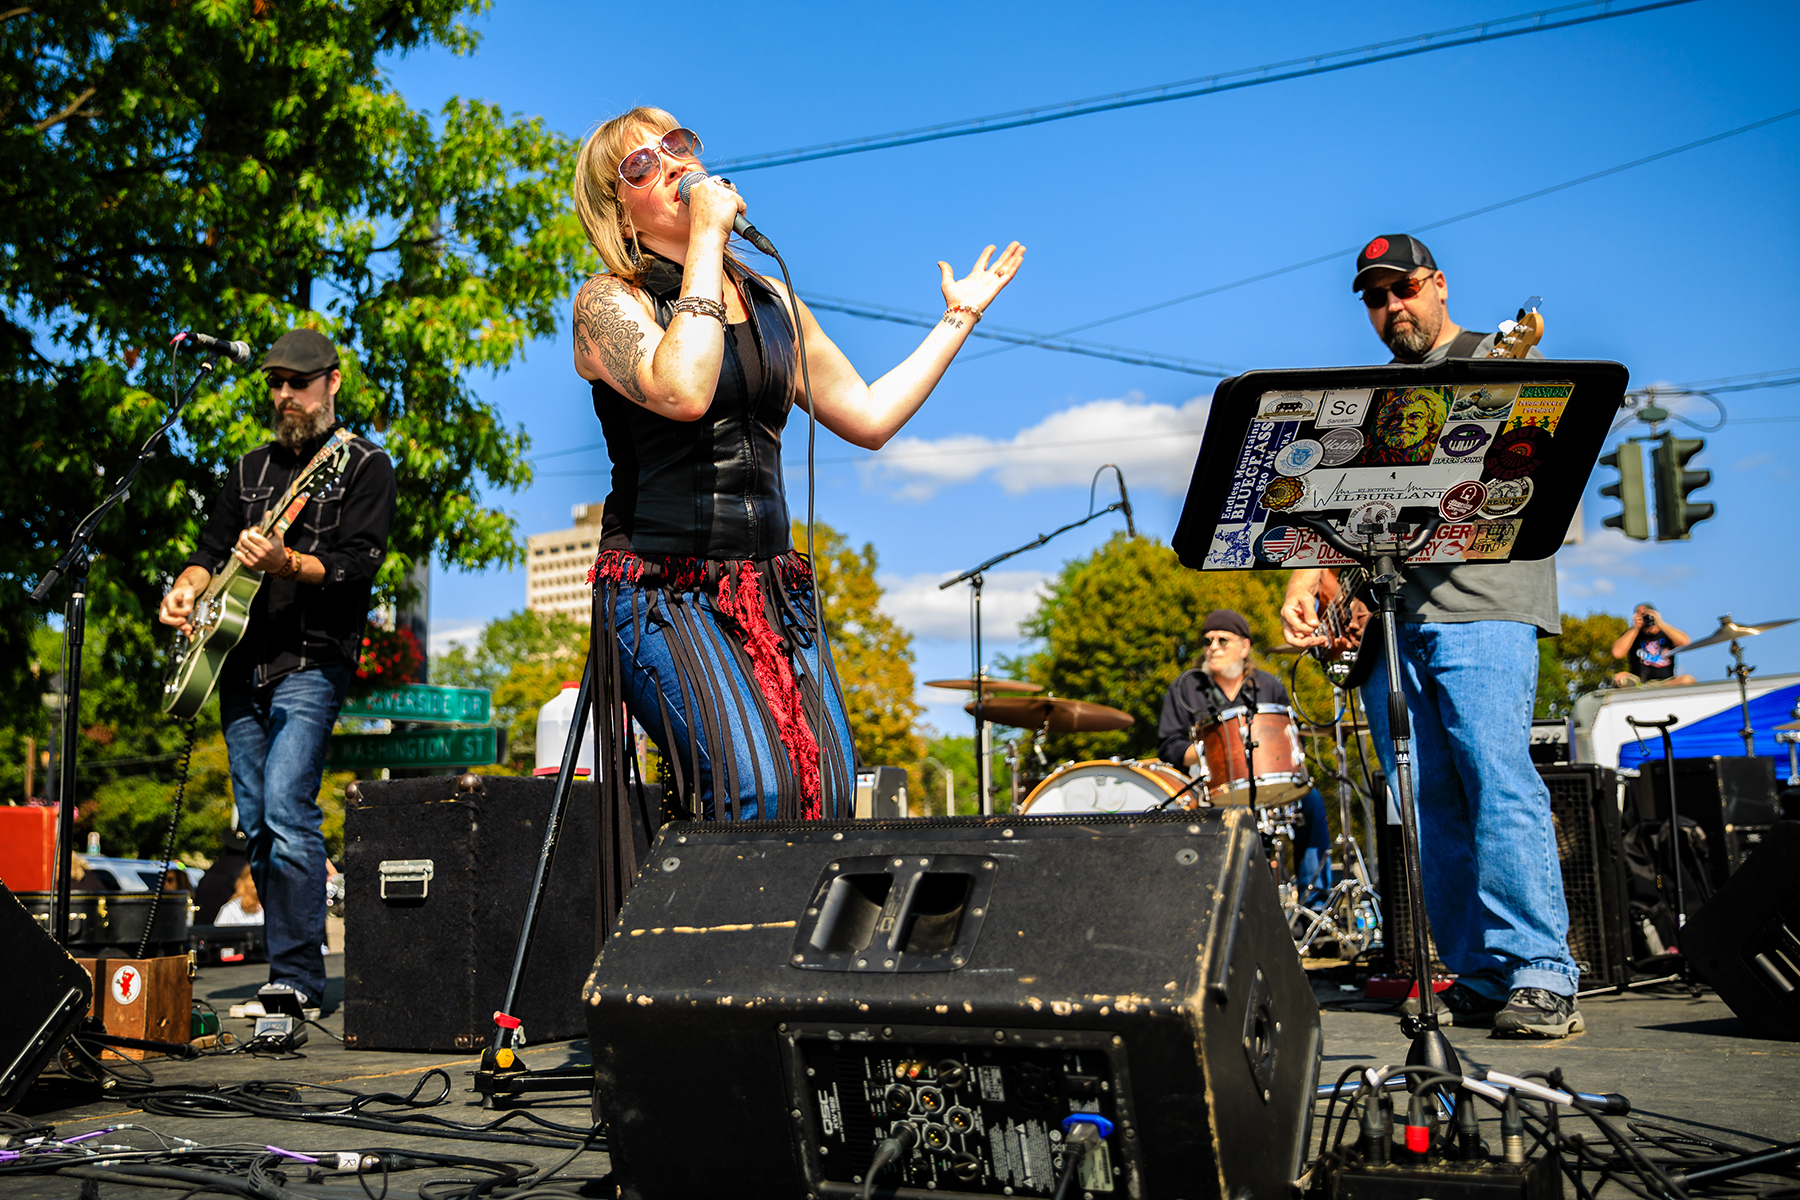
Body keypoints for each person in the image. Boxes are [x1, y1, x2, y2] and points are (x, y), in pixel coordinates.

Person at [569, 108, 1024, 916]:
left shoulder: (771, 297)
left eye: (679, 146)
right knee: (756, 784)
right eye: (641, 165)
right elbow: (682, 389)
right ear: (618, 206)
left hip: (770, 587)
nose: (671, 165)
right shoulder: (609, 301)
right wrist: (707, 241)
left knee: (830, 790)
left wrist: (959, 319)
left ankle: (797, 1002)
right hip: (662, 589)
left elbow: (870, 416)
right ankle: (712, 994)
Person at [1279, 234, 1584, 1038]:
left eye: (1402, 289)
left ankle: (1542, 971)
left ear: (1439, 284)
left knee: (1495, 779)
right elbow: (1335, 515)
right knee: (1427, 804)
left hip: (1484, 603)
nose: (1391, 308)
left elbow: (1549, 482)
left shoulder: (1502, 358)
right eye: (1375, 299)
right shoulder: (1374, 397)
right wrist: (1310, 577)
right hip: (1388, 623)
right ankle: (1479, 971)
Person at [158, 330, 395, 1012]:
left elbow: (359, 563)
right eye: (276, 384)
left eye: (298, 382)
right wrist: (186, 587)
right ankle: (283, 969)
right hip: (237, 662)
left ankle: (294, 977)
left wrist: (287, 564)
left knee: (290, 807)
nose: (285, 395)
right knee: (257, 820)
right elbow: (208, 554)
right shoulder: (246, 471)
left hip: (313, 660)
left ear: (333, 382)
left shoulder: (363, 466)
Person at [1157, 610, 1332, 903]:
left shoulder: (1268, 685)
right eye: (1208, 640)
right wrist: (1207, 752)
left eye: (1223, 640)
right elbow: (1168, 746)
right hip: (1209, 788)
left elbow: (1290, 740)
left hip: (1269, 785)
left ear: (1244, 646)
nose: (1213, 647)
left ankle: (1314, 906)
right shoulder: (1186, 687)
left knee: (1311, 801)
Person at [1610, 604, 1695, 687]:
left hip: (1665, 682)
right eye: (1640, 615)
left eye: (1647, 614)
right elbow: (1617, 653)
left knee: (1687, 680)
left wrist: (1660, 623)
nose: (1645, 618)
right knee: (1619, 678)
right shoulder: (1632, 635)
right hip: (1638, 682)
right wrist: (1635, 628)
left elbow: (1685, 643)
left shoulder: (1667, 633)